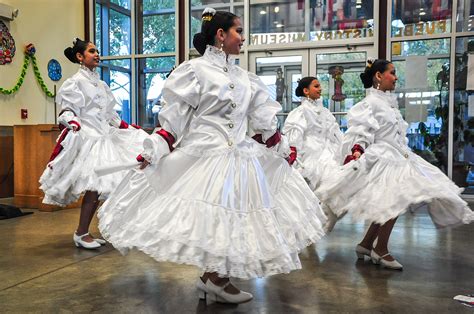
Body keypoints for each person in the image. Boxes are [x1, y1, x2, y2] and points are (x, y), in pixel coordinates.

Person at [98, 8, 327, 304]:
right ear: (220, 35)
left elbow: (263, 123)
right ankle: (216, 280)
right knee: (216, 216)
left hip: (240, 157)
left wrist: (281, 148)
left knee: (231, 217)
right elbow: (173, 123)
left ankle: (213, 279)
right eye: (238, 31)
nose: (243, 38)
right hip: (203, 156)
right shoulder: (194, 72)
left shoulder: (245, 78)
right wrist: (155, 150)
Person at [317, 58, 474, 270]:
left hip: (398, 156)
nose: (396, 77)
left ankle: (366, 244)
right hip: (382, 158)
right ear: (378, 76)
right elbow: (361, 132)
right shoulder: (369, 104)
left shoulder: (388, 103)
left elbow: (397, 134)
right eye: (392, 72)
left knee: (388, 202)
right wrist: (357, 150)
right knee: (394, 200)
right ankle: (380, 249)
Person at [39, 38, 148, 249]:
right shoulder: (74, 83)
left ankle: (87, 231)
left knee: (104, 187)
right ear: (80, 57)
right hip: (90, 139)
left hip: (106, 137)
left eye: (97, 51)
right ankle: (81, 233)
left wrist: (125, 126)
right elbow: (67, 109)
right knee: (94, 187)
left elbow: (109, 114)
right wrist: (71, 121)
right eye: (91, 51)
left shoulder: (101, 84)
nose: (97, 54)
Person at [283, 77, 343, 231]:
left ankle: (317, 224)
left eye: (320, 86)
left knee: (336, 190)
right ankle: (306, 228)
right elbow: (294, 136)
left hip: (327, 153)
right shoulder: (300, 112)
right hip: (310, 155)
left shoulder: (325, 112)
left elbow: (335, 133)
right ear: (306, 91)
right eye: (316, 86)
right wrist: (294, 154)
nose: (320, 89)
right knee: (309, 197)